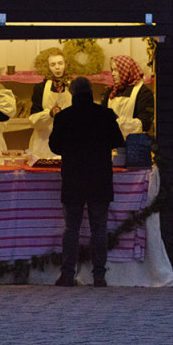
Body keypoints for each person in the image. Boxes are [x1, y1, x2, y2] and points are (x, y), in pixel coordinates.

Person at [49, 77, 124, 288]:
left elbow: (55, 146)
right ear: (91, 91)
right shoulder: (105, 115)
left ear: (72, 93)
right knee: (99, 228)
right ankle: (99, 276)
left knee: (71, 228)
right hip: (99, 177)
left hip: (73, 177)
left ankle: (67, 275)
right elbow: (118, 141)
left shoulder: (64, 117)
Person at [28, 49, 72, 160]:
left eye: (60, 63)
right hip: (43, 143)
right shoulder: (40, 88)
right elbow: (33, 120)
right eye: (53, 64)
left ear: (65, 65)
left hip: (68, 142)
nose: (57, 67)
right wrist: (49, 114)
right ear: (47, 67)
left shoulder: (72, 87)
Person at [101, 55, 154, 137]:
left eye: (116, 70)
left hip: (134, 145)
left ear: (126, 70)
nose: (112, 74)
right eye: (112, 70)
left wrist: (116, 124)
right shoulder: (111, 92)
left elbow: (145, 123)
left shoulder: (143, 92)